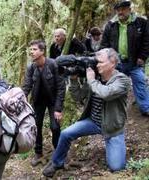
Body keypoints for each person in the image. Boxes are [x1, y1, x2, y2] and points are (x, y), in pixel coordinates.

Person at [42, 48, 130, 178]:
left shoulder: (122, 80)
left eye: (100, 62)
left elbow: (106, 93)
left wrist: (91, 79)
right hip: (93, 121)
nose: (96, 64)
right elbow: (78, 97)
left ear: (113, 62)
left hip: (112, 127)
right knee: (66, 134)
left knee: (116, 167)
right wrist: (73, 79)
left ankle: (112, 144)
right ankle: (56, 163)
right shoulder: (95, 76)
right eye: (96, 62)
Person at [100, 0, 149, 116]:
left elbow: (147, 41)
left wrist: (142, 56)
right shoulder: (110, 24)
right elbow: (104, 44)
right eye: (118, 10)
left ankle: (145, 108)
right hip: (117, 63)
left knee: (140, 82)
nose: (120, 12)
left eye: (123, 9)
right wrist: (107, 60)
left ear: (129, 9)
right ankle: (114, 111)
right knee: (114, 86)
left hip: (135, 62)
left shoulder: (141, 22)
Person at [22, 40, 66, 166]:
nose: (32, 52)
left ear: (42, 51)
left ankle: (58, 151)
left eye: (34, 49)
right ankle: (38, 152)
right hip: (37, 102)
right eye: (30, 50)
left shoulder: (53, 64)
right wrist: (21, 98)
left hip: (53, 102)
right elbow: (26, 86)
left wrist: (58, 108)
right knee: (36, 127)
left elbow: (61, 87)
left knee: (55, 127)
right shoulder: (31, 67)